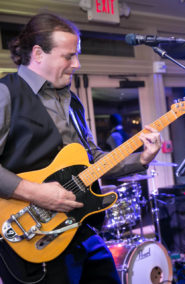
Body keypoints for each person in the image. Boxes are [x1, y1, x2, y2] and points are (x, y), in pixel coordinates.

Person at [0, 13, 161, 284]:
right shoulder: (6, 93)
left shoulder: (71, 100)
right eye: (68, 56)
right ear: (38, 54)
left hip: (79, 227)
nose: (77, 64)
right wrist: (36, 192)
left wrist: (141, 158)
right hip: (30, 233)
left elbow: (92, 157)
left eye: (77, 55)